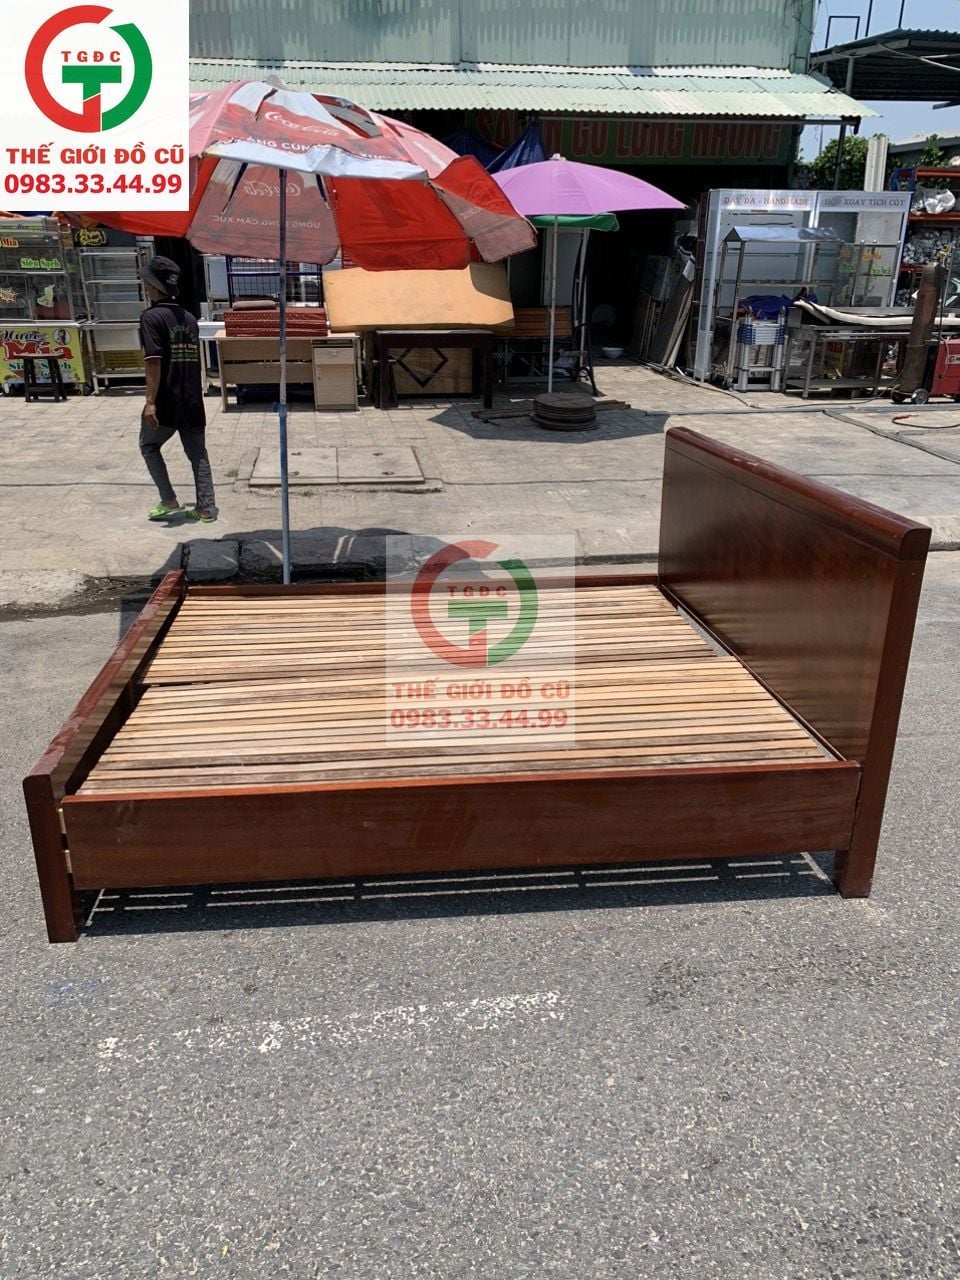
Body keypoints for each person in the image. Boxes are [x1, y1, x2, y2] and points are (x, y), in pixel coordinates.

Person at [138, 255, 217, 522]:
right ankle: (206, 508)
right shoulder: (189, 318)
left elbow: (153, 361)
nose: (145, 286)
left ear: (153, 285)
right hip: (192, 398)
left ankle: (168, 499)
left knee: (149, 445)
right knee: (198, 455)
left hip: (166, 400)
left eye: (146, 282)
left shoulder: (151, 318)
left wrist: (150, 402)